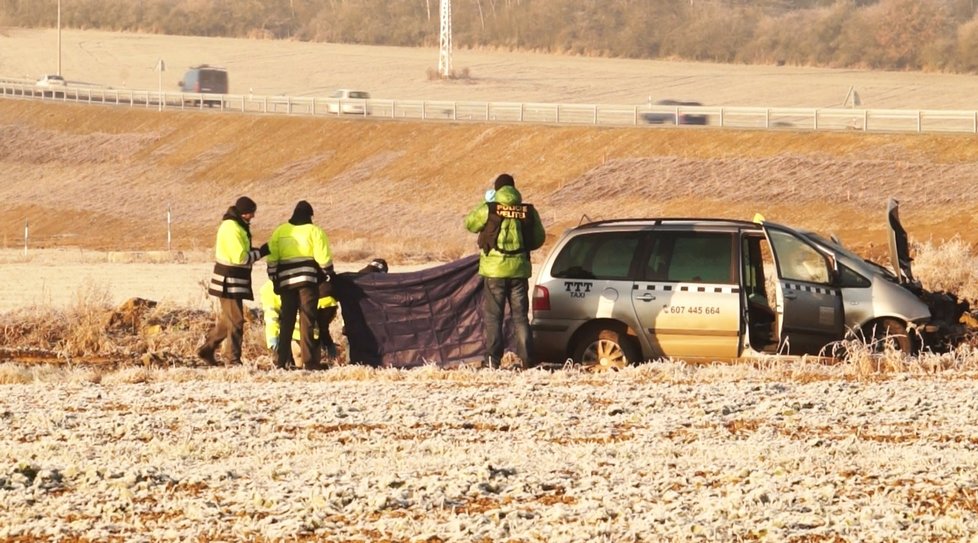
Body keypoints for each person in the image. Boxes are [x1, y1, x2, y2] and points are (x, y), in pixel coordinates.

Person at [464, 173, 546, 368]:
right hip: (518, 271)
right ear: (514, 189)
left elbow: (470, 224)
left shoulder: (490, 208)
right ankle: (527, 360)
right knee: (520, 317)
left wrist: (485, 204)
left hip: (494, 272)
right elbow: (538, 239)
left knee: (494, 317)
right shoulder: (527, 211)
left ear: (497, 189)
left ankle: (493, 361)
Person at [198, 196, 269, 367]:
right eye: (251, 213)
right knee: (236, 321)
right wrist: (261, 252)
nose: (253, 216)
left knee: (228, 320)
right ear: (244, 213)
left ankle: (207, 349)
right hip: (228, 280)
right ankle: (232, 359)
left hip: (232, 280)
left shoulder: (235, 225)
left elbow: (240, 251)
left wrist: (255, 251)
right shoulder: (232, 228)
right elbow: (241, 258)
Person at [266, 200, 334, 370]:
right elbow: (323, 259)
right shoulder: (315, 231)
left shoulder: (280, 231)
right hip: (307, 283)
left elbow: (272, 257)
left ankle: (281, 362)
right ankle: (310, 362)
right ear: (310, 216)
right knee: (307, 320)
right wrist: (329, 274)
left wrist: (274, 277)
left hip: (286, 283)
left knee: (286, 321)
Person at [259, 280, 340, 362]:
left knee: (307, 361)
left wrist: (326, 340)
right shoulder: (270, 290)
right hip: (293, 332)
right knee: (302, 358)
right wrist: (273, 338)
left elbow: (321, 323)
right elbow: (271, 317)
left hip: (301, 329)